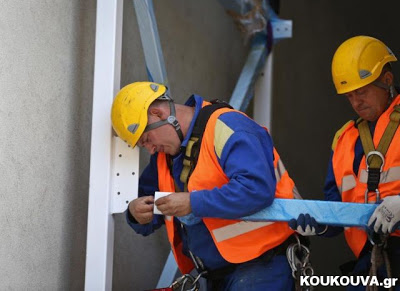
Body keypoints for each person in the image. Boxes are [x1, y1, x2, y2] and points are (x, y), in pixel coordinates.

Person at [111, 81, 301, 290]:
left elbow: (255, 189)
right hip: (216, 277)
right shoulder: (163, 158)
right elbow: (148, 208)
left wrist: (193, 203)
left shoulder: (227, 127)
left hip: (264, 267)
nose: (151, 149)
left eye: (147, 139)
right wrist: (135, 212)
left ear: (158, 114)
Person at [289, 36, 400, 289]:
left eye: (361, 92)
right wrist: (315, 223)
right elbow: (336, 209)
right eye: (349, 96)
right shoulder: (344, 140)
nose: (356, 102)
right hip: (370, 264)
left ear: (387, 80)